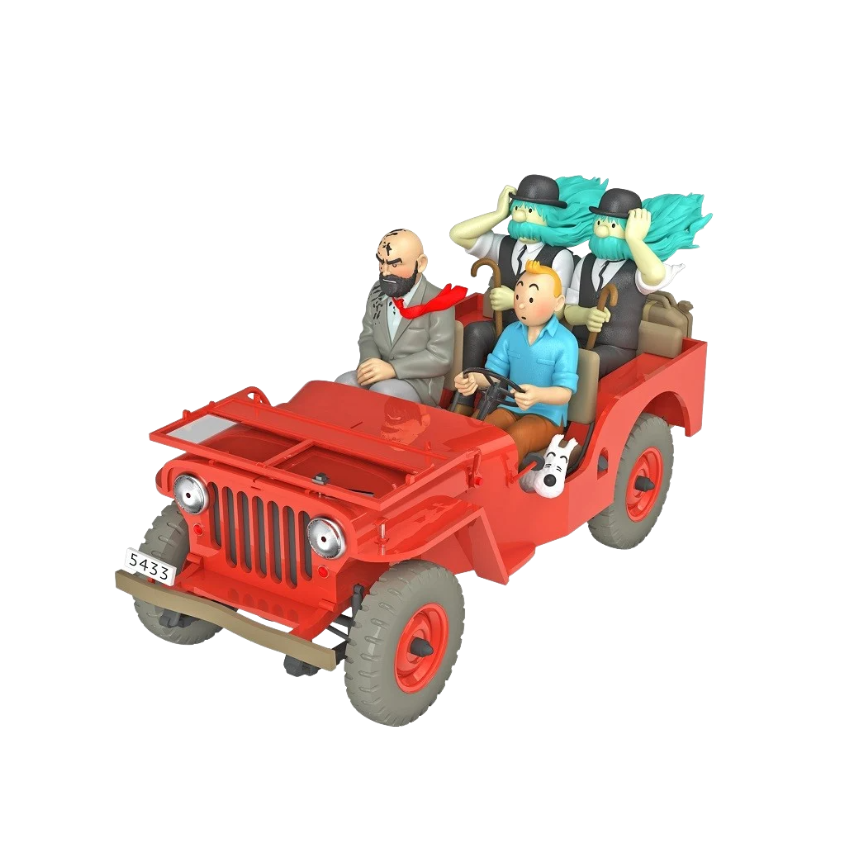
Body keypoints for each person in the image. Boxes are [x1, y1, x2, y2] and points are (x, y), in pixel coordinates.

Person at [448, 174, 605, 413]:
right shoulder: (504, 244)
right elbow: (458, 234)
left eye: (529, 211)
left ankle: (498, 406)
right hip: (505, 326)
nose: (520, 216)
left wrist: (513, 300)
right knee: (475, 332)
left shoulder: (559, 256)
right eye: (518, 208)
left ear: (548, 216)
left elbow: (558, 309)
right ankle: (464, 402)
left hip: (537, 331)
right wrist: (499, 214)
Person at [564, 188, 712, 377]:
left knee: (586, 363)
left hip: (618, 349)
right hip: (579, 340)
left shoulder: (637, 269)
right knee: (554, 353)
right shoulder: (585, 263)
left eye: (612, 225)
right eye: (599, 222)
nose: (601, 230)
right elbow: (569, 310)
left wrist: (635, 240)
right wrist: (585, 315)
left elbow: (656, 274)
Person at [454, 260, 578, 466]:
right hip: (509, 407)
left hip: (547, 417)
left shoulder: (565, 342)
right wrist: (473, 379)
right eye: (518, 296)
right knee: (479, 428)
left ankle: (500, 480)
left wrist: (538, 394)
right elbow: (494, 374)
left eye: (531, 299)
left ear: (557, 303)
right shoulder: (511, 333)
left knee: (515, 438)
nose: (520, 304)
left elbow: (565, 392)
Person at [336, 229, 463, 406]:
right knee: (343, 384)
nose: (385, 272)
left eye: (394, 265)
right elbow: (368, 335)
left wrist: (393, 369)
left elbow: (440, 357)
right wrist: (369, 363)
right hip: (380, 372)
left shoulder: (439, 301)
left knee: (382, 393)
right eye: (381, 263)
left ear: (420, 264)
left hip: (419, 383)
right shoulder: (378, 291)